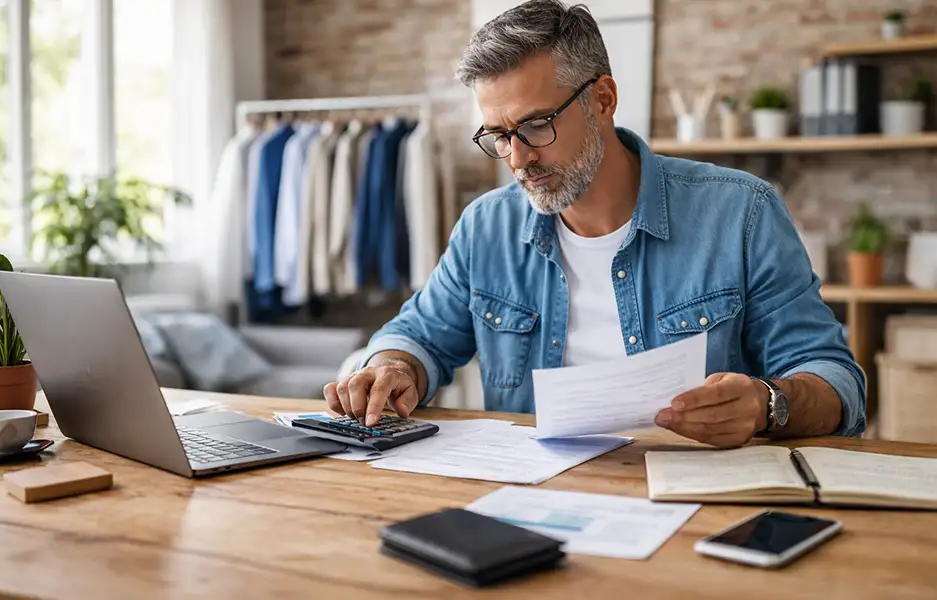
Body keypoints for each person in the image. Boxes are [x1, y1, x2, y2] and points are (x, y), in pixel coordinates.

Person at [323, 0, 866, 448]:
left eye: (535, 125)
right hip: (534, 498)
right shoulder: (485, 227)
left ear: (602, 100)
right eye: (497, 135)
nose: (517, 159)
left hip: (701, 500)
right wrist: (393, 366)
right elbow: (419, 336)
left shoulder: (740, 212)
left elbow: (837, 383)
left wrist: (768, 406)